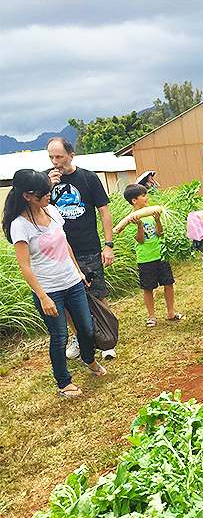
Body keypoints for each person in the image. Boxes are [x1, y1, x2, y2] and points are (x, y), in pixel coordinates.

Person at [2, 170, 106, 397]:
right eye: (44, 193)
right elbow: (25, 266)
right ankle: (63, 382)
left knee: (87, 328)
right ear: (28, 196)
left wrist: (78, 272)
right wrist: (43, 296)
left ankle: (88, 359)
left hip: (72, 282)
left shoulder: (52, 211)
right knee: (59, 336)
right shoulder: (20, 225)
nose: (49, 196)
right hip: (49, 290)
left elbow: (65, 243)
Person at [46, 137, 117, 361]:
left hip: (87, 247)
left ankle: (106, 338)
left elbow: (104, 212)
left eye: (59, 156)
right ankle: (79, 337)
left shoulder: (88, 178)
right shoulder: (45, 181)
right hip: (58, 251)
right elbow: (35, 208)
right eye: (51, 157)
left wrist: (108, 245)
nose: (55, 162)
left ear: (71, 155)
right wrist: (47, 186)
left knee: (97, 292)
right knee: (65, 297)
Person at [123, 184, 184, 327]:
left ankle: (171, 312)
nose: (147, 198)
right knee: (148, 288)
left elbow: (160, 234)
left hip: (160, 255)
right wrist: (139, 226)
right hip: (145, 258)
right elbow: (140, 240)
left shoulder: (150, 214)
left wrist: (157, 220)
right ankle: (152, 316)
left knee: (168, 283)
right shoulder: (131, 220)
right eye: (143, 196)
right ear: (134, 200)